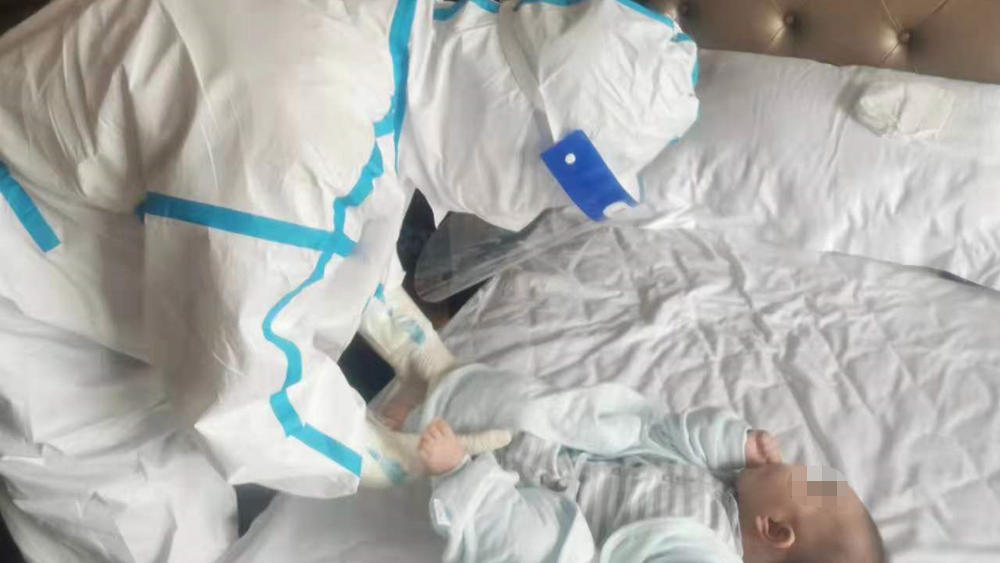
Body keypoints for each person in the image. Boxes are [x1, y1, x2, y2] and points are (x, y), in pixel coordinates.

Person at [387, 364, 886, 563]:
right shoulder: (724, 483)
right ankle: (443, 395)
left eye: (794, 472)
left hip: (567, 522)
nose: (783, 459)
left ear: (774, 528)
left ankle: (459, 475)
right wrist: (736, 443)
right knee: (532, 407)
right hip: (567, 462)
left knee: (535, 547)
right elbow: (671, 434)